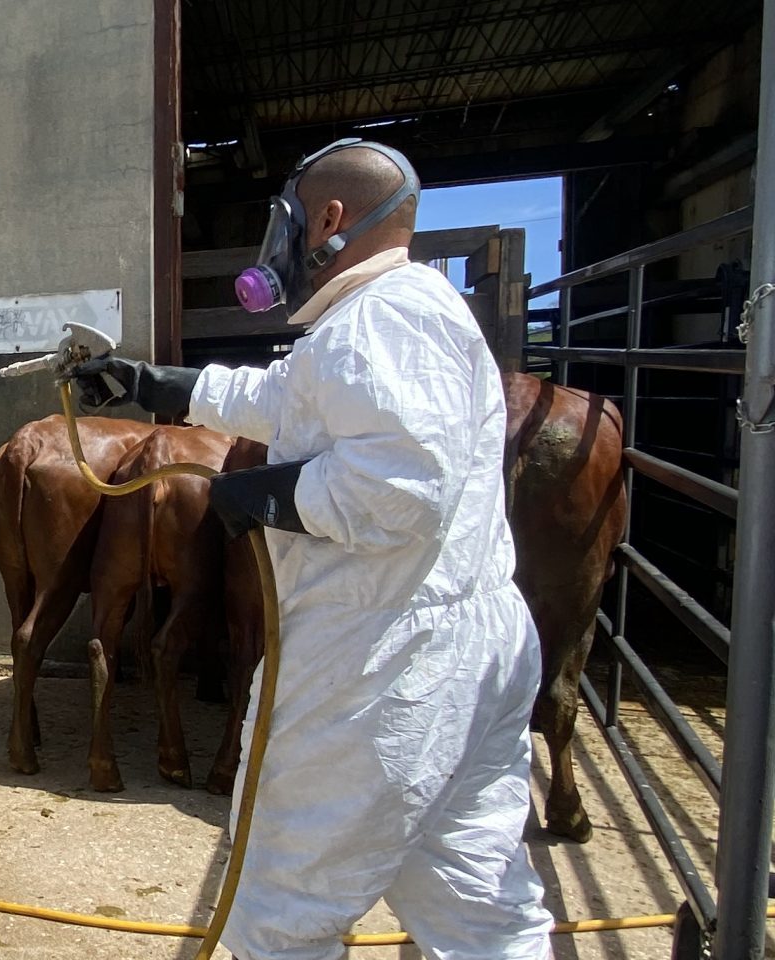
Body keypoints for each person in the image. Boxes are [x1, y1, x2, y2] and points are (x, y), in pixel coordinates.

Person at [68, 140, 554, 959]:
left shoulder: (383, 320)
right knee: (475, 904)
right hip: (455, 646)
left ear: (328, 220)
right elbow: (288, 398)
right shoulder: (398, 313)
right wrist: (156, 384)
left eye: (285, 223)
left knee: (282, 912)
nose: (279, 244)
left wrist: (262, 496)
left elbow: (402, 491)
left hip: (379, 665)